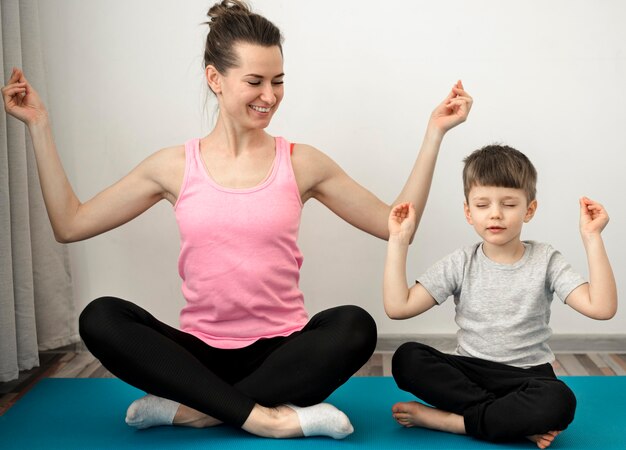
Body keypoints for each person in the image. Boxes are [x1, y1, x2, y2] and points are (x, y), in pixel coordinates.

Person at [2, 0, 471, 440]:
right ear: (215, 78)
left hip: (282, 354)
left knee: (354, 325)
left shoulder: (301, 162)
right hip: (198, 356)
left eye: (279, 80)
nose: (270, 95)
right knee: (100, 316)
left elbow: (396, 223)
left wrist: (434, 134)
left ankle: (197, 411)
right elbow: (70, 224)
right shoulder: (172, 166)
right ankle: (270, 419)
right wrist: (39, 126)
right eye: (255, 81)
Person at [383, 144, 617, 448]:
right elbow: (398, 307)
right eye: (482, 205)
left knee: (559, 401)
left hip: (528, 376)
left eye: (508, 204)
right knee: (406, 358)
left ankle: (454, 422)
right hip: (470, 372)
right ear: (468, 212)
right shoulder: (460, 262)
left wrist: (592, 238)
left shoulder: (547, 260)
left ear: (529, 210)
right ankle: (507, 420)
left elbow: (602, 308)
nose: (495, 214)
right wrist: (398, 241)